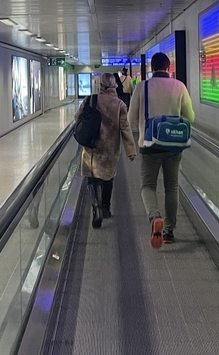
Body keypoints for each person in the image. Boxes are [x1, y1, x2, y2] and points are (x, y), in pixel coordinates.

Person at [128, 52, 195, 246]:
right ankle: (169, 231)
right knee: (171, 187)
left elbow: (131, 118)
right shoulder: (179, 86)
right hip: (174, 146)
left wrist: (143, 126)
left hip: (149, 146)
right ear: (168, 67)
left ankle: (155, 217)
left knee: (148, 186)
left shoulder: (142, 87)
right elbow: (190, 117)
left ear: (151, 68)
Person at [76, 73, 137, 228]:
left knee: (92, 177)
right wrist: (130, 149)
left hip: (92, 145)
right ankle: (105, 207)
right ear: (115, 85)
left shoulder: (90, 99)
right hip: (110, 147)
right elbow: (125, 127)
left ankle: (95, 206)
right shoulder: (119, 104)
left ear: (100, 84)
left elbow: (77, 117)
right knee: (108, 178)